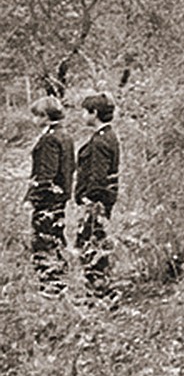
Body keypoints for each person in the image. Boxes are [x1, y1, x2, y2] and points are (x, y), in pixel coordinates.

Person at [24, 96, 74, 292]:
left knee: (43, 240)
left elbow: (46, 173)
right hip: (60, 197)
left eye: (36, 116)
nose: (34, 120)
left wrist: (32, 198)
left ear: (45, 116)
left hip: (47, 199)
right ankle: (61, 281)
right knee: (57, 236)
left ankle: (50, 285)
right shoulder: (66, 135)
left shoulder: (49, 139)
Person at [75, 91, 120, 293]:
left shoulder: (100, 141)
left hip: (96, 203)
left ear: (94, 113)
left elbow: (98, 177)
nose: (82, 116)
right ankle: (101, 289)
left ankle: (100, 292)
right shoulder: (109, 136)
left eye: (85, 112)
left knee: (89, 245)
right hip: (102, 201)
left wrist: (88, 199)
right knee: (95, 242)